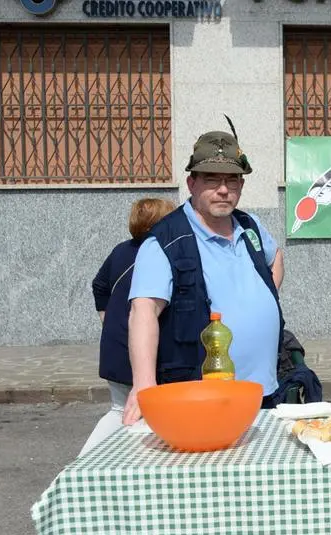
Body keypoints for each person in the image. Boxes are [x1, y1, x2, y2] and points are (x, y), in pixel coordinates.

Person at [123, 121, 285, 426]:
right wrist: (143, 384)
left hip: (265, 394)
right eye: (212, 180)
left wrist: (263, 298)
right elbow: (142, 311)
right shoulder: (166, 241)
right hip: (203, 401)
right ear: (192, 183)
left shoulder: (249, 226)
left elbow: (275, 256)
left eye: (232, 180)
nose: (223, 190)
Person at [79, 197, 176, 456]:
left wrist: (107, 319)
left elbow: (99, 285)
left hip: (116, 343)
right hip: (140, 348)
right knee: (135, 413)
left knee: (120, 409)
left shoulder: (121, 250)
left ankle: (84, 461)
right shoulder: (162, 252)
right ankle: (90, 466)